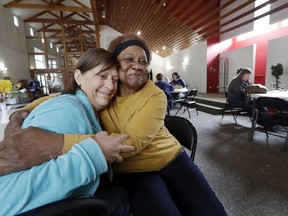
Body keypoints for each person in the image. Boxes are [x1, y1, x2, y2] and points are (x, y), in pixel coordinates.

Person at [1, 34, 227, 216]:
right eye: (128, 59)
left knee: (209, 210)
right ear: (114, 63)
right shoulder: (103, 93)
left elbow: (131, 143)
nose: (137, 66)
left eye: (142, 61)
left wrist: (58, 143)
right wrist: (17, 115)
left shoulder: (155, 95)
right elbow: (58, 97)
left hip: (169, 160)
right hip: (132, 173)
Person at [0, 48, 134, 216]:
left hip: (66, 199)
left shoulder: (85, 109)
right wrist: (94, 155)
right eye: (102, 76)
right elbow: (4, 196)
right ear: (79, 77)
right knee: (122, 198)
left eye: (115, 80)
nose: (110, 86)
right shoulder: (68, 110)